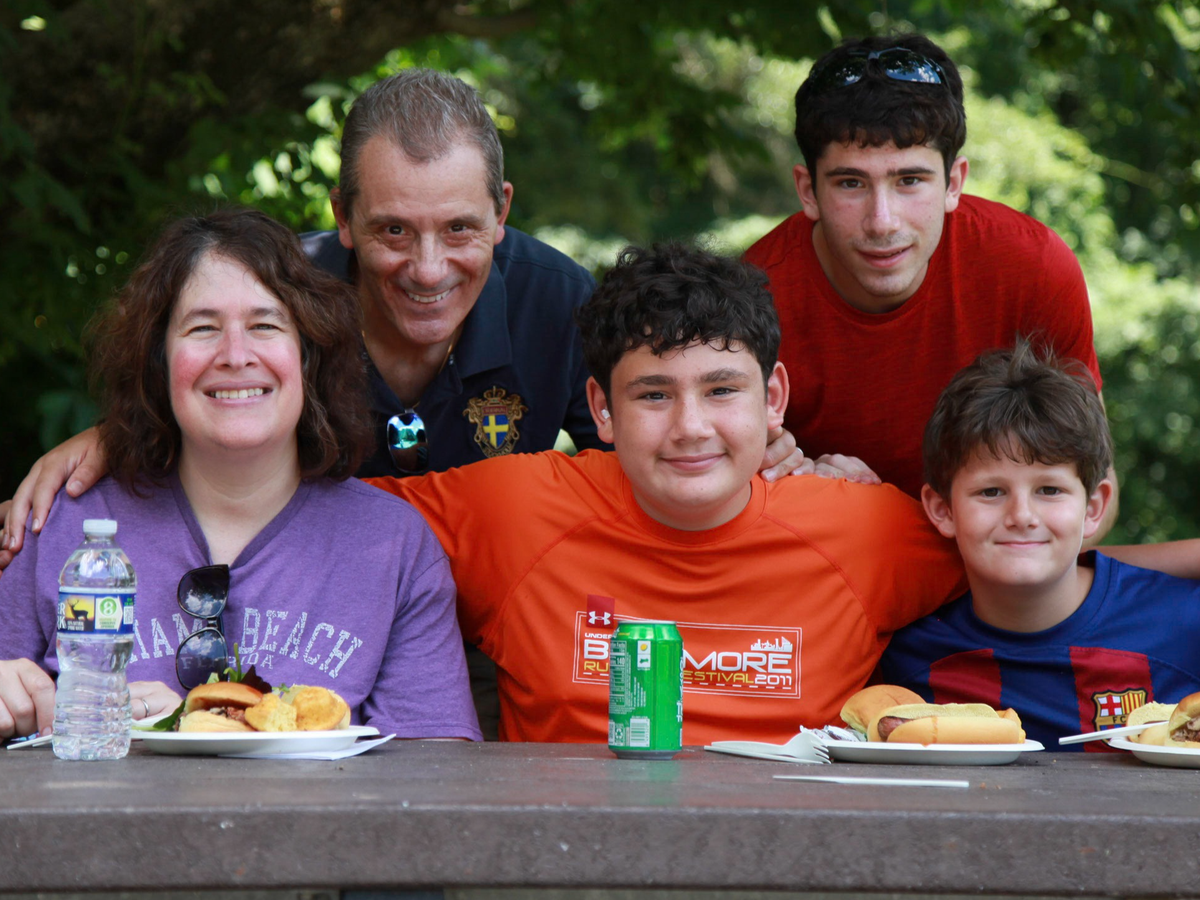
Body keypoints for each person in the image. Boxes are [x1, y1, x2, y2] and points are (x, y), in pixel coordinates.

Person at [1, 68, 804, 547]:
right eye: (392, 231)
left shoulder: (559, 300)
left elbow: (651, 445)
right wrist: (116, 437)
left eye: (459, 229)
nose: (427, 269)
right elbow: (191, 405)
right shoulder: (274, 295)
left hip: (490, 621)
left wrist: (752, 458)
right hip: (302, 608)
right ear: (343, 218)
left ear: (502, 210)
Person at [367, 243, 967, 744]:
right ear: (601, 409)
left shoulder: (868, 529)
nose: (691, 427)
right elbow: (325, 524)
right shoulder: (514, 511)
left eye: (722, 390)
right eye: (654, 395)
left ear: (773, 399)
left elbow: (1019, 545)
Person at [0, 208, 481, 742]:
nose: (235, 355)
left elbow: (434, 767)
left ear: (309, 355)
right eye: (203, 328)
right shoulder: (61, 525)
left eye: (265, 325)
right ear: (159, 360)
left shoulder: (393, 546)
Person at [744, 33, 1116, 532]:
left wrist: (893, 517)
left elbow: (1093, 495)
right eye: (851, 183)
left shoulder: (1032, 267)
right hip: (826, 552)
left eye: (910, 181)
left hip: (995, 561)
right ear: (808, 191)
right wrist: (781, 482)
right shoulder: (749, 303)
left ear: (953, 183)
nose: (882, 221)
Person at [878, 341, 1200, 749]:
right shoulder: (905, 655)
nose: (1022, 515)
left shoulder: (1184, 623)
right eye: (991, 492)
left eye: (1049, 490)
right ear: (942, 510)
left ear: (1093, 507)